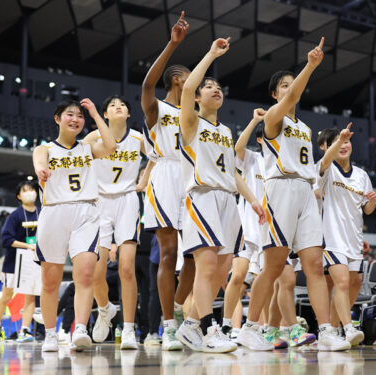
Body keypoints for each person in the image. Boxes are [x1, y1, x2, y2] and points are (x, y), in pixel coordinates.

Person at [238, 37, 350, 352]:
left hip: (305, 189)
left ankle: (326, 330)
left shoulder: (304, 128)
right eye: (283, 86)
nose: (290, 89)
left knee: (314, 265)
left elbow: (314, 166)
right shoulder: (273, 117)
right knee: (273, 266)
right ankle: (249, 328)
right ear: (275, 94)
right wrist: (311, 65)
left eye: (292, 85)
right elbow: (295, 95)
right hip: (280, 189)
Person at [175, 37, 266, 353]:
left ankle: (188, 327)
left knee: (222, 271)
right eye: (208, 86)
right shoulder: (190, 123)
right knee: (207, 268)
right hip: (202, 198)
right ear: (198, 96)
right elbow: (186, 89)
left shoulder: (225, 132)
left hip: (229, 201)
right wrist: (211, 53)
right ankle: (209, 329)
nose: (216, 89)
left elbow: (234, 174)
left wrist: (253, 201)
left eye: (219, 87)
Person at [33, 99, 116, 352]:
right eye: (70, 115)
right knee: (50, 280)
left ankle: (80, 328)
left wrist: (95, 113)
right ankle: (49, 333)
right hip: (54, 212)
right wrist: (41, 172)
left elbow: (111, 146)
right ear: (58, 119)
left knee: (86, 273)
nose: (75, 119)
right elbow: (39, 163)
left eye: (80, 116)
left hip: (86, 212)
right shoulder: (45, 148)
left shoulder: (88, 147)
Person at [140, 11, 196, 351]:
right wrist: (173, 45)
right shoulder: (158, 108)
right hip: (165, 174)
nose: (192, 80)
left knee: (193, 254)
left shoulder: (197, 117)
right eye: (189, 76)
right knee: (168, 252)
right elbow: (147, 85)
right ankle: (167, 325)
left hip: (192, 177)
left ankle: (175, 308)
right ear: (178, 80)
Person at [83, 95, 144, 349]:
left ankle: (128, 329)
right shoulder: (93, 138)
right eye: (112, 105)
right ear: (105, 114)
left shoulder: (139, 138)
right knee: (96, 273)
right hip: (99, 202)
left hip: (127, 200)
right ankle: (105, 309)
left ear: (128, 114)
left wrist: (145, 179)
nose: (119, 106)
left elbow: (160, 157)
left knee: (127, 268)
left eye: (123, 104)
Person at [317, 124, 376, 346]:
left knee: (355, 283)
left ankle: (331, 331)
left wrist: (371, 202)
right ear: (327, 147)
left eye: (346, 141)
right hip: (331, 238)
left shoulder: (361, 175)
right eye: (337, 142)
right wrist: (337, 140)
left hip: (354, 239)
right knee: (341, 282)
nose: (343, 145)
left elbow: (367, 210)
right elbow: (324, 162)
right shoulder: (325, 169)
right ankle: (349, 328)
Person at [221, 110, 265, 338]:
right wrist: (255, 120)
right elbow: (237, 148)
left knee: (264, 282)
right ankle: (229, 327)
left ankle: (259, 329)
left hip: (268, 232)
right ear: (260, 139)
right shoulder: (253, 158)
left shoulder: (281, 164)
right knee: (237, 277)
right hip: (247, 228)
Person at [0, 181, 39, 343]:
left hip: (32, 263)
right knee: (6, 297)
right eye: (25, 190)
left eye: (31, 189)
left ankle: (25, 330)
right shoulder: (15, 216)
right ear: (19, 196)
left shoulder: (41, 213)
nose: (30, 192)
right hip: (13, 263)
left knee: (30, 298)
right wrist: (28, 245)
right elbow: (6, 240)